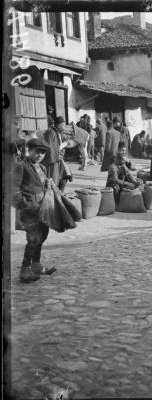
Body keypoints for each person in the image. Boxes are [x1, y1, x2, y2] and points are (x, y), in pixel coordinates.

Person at [12, 138, 57, 283]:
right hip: (29, 211)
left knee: (42, 236)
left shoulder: (42, 168)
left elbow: (43, 187)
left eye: (42, 153)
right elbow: (14, 191)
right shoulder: (21, 166)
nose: (39, 155)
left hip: (42, 210)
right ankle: (24, 270)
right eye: (36, 152)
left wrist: (49, 185)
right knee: (33, 239)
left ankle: (36, 266)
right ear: (29, 150)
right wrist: (25, 205)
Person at [41, 115, 66, 190]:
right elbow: (50, 147)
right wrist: (55, 158)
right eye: (63, 125)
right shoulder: (51, 132)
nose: (64, 127)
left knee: (61, 176)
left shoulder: (58, 132)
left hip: (57, 159)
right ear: (59, 125)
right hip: (52, 161)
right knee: (53, 178)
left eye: (64, 125)